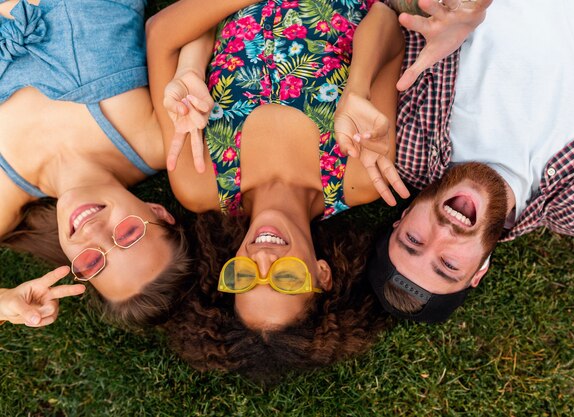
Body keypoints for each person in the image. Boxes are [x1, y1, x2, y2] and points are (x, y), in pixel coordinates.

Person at [146, 0, 407, 380]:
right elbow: (386, 21)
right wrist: (358, 87)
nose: (262, 259)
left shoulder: (199, 181)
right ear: (322, 275)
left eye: (244, 277)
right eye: (286, 279)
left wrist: (188, 71)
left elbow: (161, 36)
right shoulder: (360, 177)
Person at [358, 0, 574, 322]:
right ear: (479, 271)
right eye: (448, 265)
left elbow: (391, 11)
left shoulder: (405, 140)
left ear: (402, 219)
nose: (443, 232)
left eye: (414, 240)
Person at [0, 0, 252, 327]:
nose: (95, 234)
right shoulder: (156, 140)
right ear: (158, 212)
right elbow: (194, 25)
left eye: (92, 262)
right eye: (127, 234)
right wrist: (190, 68)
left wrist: (4, 303)